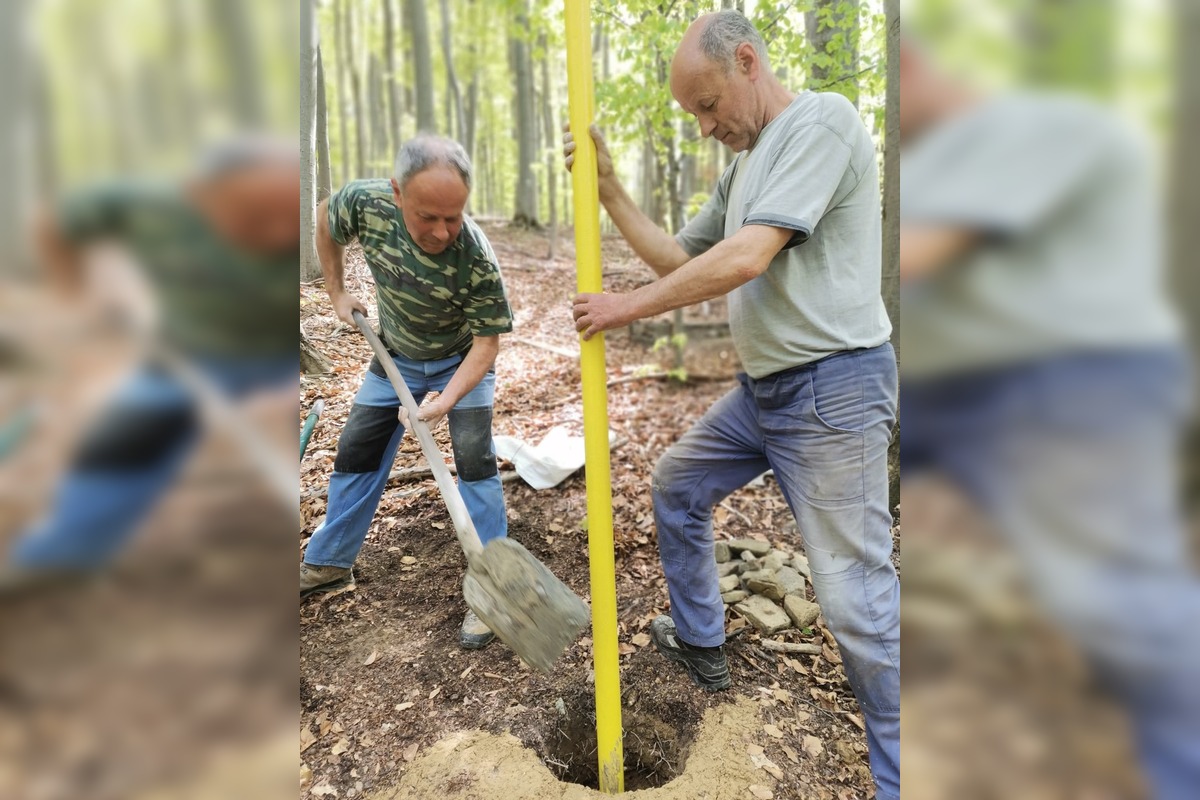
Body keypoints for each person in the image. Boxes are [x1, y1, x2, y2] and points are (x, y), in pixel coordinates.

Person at [563, 11, 899, 799]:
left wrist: (625, 308)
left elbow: (746, 257)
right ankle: (701, 641)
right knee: (678, 484)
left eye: (709, 106)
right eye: (694, 116)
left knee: (853, 599)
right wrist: (609, 190)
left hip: (835, 389)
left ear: (748, 61)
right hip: (767, 392)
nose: (707, 126)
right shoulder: (743, 169)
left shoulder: (822, 122)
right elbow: (682, 254)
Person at [899, 40, 1199, 799]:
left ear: (910, 68)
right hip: (956, 392)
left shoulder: (1043, 128)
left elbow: (921, 254)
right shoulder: (923, 163)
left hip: (1071, 381)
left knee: (1117, 603)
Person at [1, 137, 300, 582]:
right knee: (122, 442)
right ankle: (64, 552)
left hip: (280, 360)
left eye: (287, 218)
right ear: (203, 197)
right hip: (190, 355)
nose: (279, 234)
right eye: (255, 219)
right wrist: (77, 296)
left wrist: (285, 393)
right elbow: (57, 222)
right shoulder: (154, 206)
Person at [299, 135, 513, 651]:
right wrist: (335, 289)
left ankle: (494, 589)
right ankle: (329, 562)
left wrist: (445, 401)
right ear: (396, 194)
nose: (442, 232)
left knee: (475, 461)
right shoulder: (366, 204)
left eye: (454, 217)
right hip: (393, 355)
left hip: (461, 363)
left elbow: (487, 346)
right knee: (357, 452)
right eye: (427, 217)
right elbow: (326, 217)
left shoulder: (475, 257)